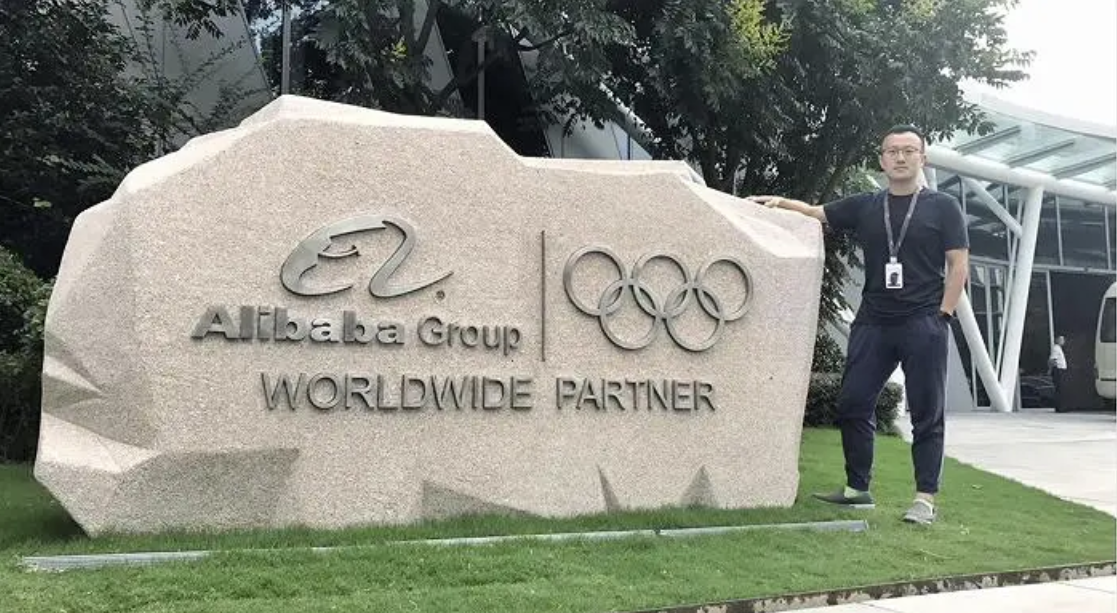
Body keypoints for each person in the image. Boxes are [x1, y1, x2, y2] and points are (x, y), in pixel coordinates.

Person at [745, 124, 969, 525]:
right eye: (892, 151)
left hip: (923, 321)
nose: (900, 158)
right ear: (882, 160)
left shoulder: (943, 207)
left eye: (908, 151)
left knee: (926, 412)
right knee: (852, 402)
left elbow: (958, 264)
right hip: (873, 322)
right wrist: (779, 203)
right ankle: (857, 490)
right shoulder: (867, 205)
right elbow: (816, 212)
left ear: (922, 158)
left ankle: (924, 498)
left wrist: (944, 315)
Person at [1049, 335, 1068, 411]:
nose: (1063, 341)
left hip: (1060, 370)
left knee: (1061, 389)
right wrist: (1052, 369)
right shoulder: (1056, 348)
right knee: (1059, 389)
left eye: (1063, 340)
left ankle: (1061, 406)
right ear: (1057, 340)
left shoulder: (1059, 348)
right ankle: (1060, 407)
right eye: (1061, 340)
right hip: (1058, 370)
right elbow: (1052, 360)